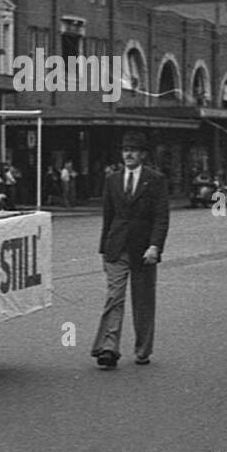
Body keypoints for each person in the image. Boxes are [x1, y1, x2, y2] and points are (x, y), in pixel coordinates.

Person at [91, 131, 170, 369]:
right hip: (117, 248)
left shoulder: (155, 179)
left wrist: (155, 246)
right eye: (125, 150)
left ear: (143, 155)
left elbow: (161, 217)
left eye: (133, 150)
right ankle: (108, 348)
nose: (128, 154)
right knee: (114, 297)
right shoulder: (113, 179)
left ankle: (143, 350)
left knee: (143, 301)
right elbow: (108, 216)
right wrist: (104, 249)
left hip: (144, 250)